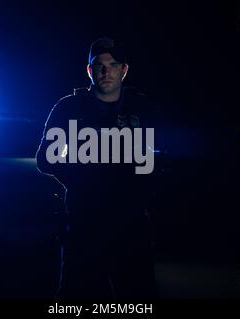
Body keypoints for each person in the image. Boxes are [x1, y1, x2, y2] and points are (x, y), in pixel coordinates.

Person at [36, 36, 163, 299]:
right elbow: (46, 160)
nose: (106, 71)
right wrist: (82, 178)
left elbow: (159, 156)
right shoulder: (68, 108)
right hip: (84, 224)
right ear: (89, 70)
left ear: (124, 69)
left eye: (113, 64)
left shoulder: (142, 107)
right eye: (99, 65)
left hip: (131, 224)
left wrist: (141, 185)